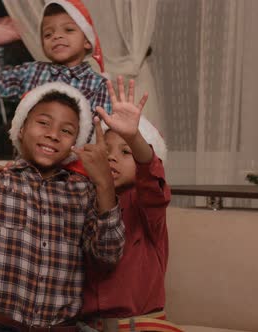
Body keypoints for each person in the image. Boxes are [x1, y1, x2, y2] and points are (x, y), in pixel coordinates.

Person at [0, 82, 125, 331]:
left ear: (76, 143)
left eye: (66, 130)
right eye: (43, 122)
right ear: (21, 130)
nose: (53, 134)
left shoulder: (84, 192)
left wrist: (105, 184)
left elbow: (108, 256)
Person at [79, 77, 182, 332]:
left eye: (125, 152)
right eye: (107, 150)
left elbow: (151, 176)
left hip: (142, 325)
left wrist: (133, 136)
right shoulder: (84, 199)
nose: (112, 157)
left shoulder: (146, 203)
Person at [0, 0, 111, 141]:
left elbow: (102, 136)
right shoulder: (31, 72)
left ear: (87, 41)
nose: (56, 36)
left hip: (77, 161)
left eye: (68, 30)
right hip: (28, 161)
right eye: (48, 34)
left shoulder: (100, 85)